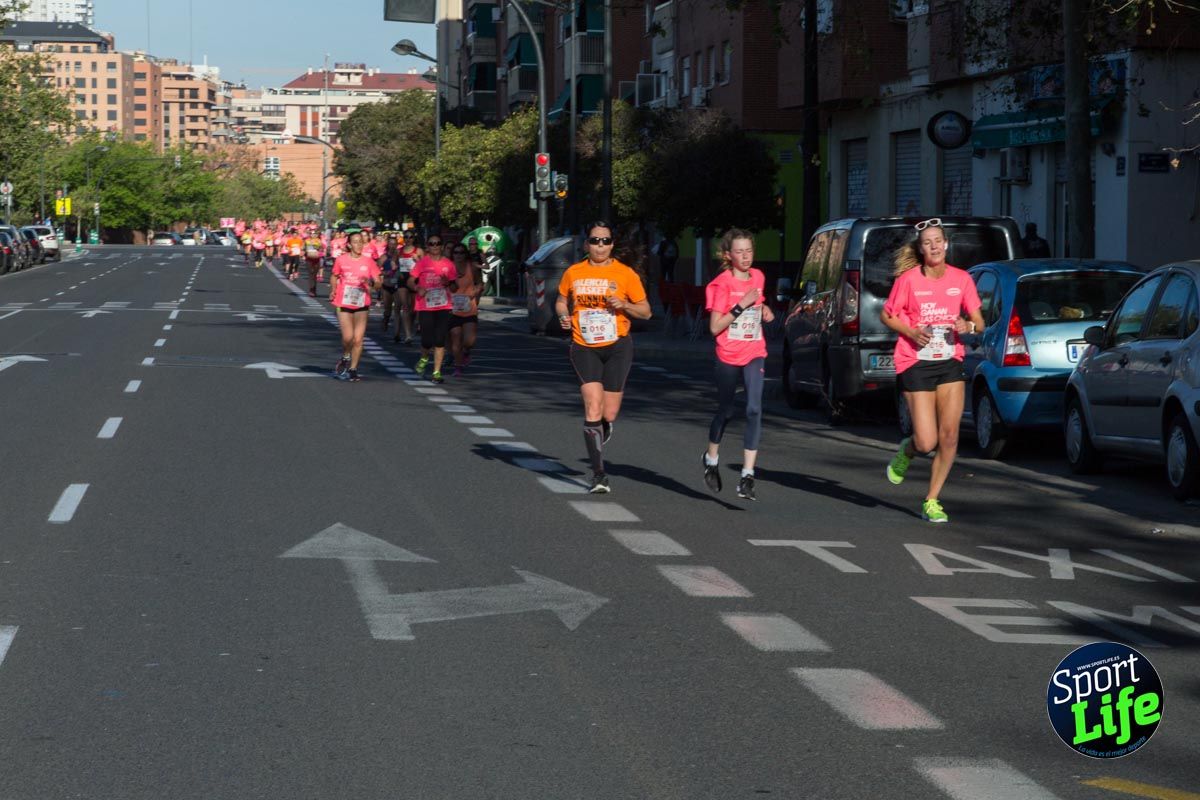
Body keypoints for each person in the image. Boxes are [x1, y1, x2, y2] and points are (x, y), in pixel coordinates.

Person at [880, 218, 985, 523]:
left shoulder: (962, 279)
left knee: (950, 436)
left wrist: (968, 325)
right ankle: (908, 451)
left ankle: (932, 499)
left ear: (946, 245)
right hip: (915, 361)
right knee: (927, 442)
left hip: (950, 359)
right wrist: (911, 332)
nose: (934, 246)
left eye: (938, 240)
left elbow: (979, 322)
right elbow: (887, 316)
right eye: (928, 242)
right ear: (921, 249)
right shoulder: (910, 281)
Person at [555, 221, 653, 494]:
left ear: (612, 244)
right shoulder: (574, 272)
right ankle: (599, 474)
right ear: (586, 244)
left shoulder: (625, 274)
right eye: (595, 241)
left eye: (605, 241)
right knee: (592, 407)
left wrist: (625, 305)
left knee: (609, 412)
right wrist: (563, 315)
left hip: (618, 345)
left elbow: (646, 312)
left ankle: (604, 425)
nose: (600, 246)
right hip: (583, 344)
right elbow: (562, 300)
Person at [702, 228, 774, 501]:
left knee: (754, 408)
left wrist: (764, 309)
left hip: (755, 350)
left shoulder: (758, 277)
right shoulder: (722, 285)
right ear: (728, 255)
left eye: (749, 251)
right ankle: (711, 458)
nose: (745, 256)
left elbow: (760, 303)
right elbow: (714, 327)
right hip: (728, 354)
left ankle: (747, 475)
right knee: (726, 410)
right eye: (739, 252)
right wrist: (740, 306)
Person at [329, 225, 383, 383]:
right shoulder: (341, 259)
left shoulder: (369, 262)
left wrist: (373, 284)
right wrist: (333, 289)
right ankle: (346, 355)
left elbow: (379, 282)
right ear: (349, 244)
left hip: (362, 302)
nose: (358, 245)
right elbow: (334, 275)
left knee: (358, 339)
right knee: (348, 338)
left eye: (361, 242)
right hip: (344, 301)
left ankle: (353, 369)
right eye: (355, 242)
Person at [407, 234, 458, 384]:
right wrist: (417, 288)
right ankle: (423, 358)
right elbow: (410, 280)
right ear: (427, 246)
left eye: (437, 244)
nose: (435, 246)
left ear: (441, 246)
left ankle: (436, 372)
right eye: (431, 244)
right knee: (427, 340)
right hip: (425, 305)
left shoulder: (448, 264)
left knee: (440, 339)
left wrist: (447, 282)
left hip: (443, 305)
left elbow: (455, 287)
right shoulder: (422, 263)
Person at [448, 242, 482, 377]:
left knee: (469, 341)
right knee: (456, 339)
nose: (458, 255)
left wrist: (475, 291)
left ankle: (466, 352)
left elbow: (480, 283)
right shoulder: (448, 268)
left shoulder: (472, 267)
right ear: (453, 255)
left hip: (469, 308)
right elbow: (447, 287)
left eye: (461, 252)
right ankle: (458, 367)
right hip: (453, 309)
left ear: (465, 254)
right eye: (456, 253)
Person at [393, 239, 420, 343]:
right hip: (402, 279)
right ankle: (408, 335)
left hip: (414, 279)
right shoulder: (398, 251)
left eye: (410, 237)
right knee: (405, 306)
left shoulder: (419, 251)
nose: (408, 239)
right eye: (406, 236)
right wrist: (394, 267)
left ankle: (410, 326)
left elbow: (424, 264)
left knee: (413, 310)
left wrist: (417, 260)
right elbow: (393, 262)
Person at [303, 228, 325, 298]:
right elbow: (303, 248)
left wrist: (319, 249)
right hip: (309, 259)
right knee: (310, 273)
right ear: (310, 235)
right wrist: (304, 253)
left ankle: (314, 290)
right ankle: (311, 290)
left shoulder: (319, 241)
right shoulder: (306, 241)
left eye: (315, 234)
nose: (314, 235)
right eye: (312, 234)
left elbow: (322, 249)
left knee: (314, 275)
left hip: (316, 259)